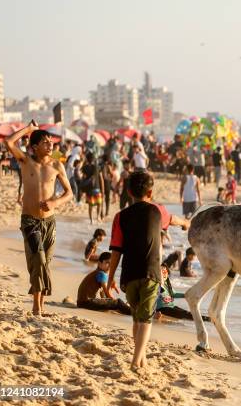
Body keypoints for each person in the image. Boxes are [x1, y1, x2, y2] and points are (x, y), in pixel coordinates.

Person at [107, 170, 188, 369]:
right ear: (150, 193)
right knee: (145, 320)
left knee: (137, 317)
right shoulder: (157, 211)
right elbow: (175, 220)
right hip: (151, 273)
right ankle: (136, 361)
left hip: (129, 276)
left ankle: (141, 359)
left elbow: (116, 251)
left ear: (128, 191)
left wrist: (111, 278)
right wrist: (187, 223)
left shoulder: (120, 217)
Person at [4, 123, 73, 315]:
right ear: (34, 146)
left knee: (45, 262)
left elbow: (69, 193)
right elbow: (8, 142)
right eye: (45, 142)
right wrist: (28, 129)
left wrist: (55, 203)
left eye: (51, 142)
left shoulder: (57, 165)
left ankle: (41, 305)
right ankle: (36, 306)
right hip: (30, 220)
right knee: (39, 259)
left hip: (49, 221)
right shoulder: (25, 161)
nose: (50, 145)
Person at [82, 152, 105, 224]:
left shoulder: (85, 167)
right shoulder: (97, 167)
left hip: (89, 189)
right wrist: (103, 189)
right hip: (97, 189)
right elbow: (101, 179)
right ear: (93, 159)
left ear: (87, 159)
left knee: (90, 205)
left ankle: (91, 220)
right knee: (99, 204)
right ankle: (98, 216)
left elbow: (83, 178)